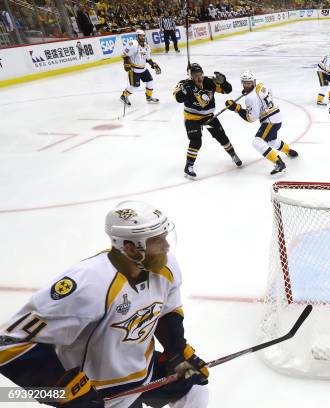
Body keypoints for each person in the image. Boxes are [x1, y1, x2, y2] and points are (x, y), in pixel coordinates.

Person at [0, 201, 210, 408]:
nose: (166, 246)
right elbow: (8, 343)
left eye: (164, 237)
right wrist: (59, 389)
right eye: (156, 241)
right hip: (98, 392)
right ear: (130, 248)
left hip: (143, 372)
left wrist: (176, 350)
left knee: (194, 386)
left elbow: (167, 309)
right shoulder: (88, 285)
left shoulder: (166, 266)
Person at [174, 63, 242, 179]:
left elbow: (228, 90)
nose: (199, 77)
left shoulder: (209, 81)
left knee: (222, 137)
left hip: (209, 117)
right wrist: (184, 91)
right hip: (192, 118)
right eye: (195, 75)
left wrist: (224, 82)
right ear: (190, 76)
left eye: (200, 74)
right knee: (196, 140)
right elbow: (177, 98)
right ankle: (189, 166)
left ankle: (233, 155)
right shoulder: (184, 84)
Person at [225, 70, 298, 175]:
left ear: (253, 81)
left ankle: (279, 163)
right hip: (277, 117)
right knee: (271, 141)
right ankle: (288, 150)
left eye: (249, 83)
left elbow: (251, 118)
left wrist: (237, 108)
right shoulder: (261, 84)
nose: (246, 85)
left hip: (270, 121)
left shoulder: (250, 98)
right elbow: (269, 92)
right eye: (245, 83)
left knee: (257, 142)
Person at [120, 29, 161, 106]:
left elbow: (148, 58)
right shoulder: (133, 44)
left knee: (150, 81)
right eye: (140, 36)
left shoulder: (147, 46)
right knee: (135, 86)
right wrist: (126, 63)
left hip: (143, 69)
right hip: (134, 70)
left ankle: (149, 97)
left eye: (143, 36)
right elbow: (124, 54)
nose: (142, 37)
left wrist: (153, 64)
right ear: (137, 36)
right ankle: (124, 96)